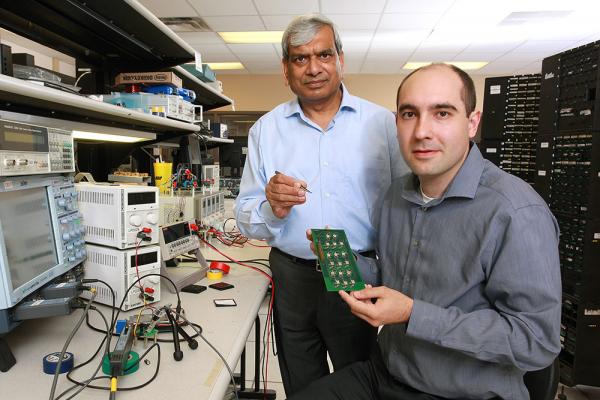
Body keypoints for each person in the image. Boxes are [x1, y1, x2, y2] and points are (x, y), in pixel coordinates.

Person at [291, 63, 562, 399]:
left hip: (464, 393)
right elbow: (394, 275)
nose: (421, 131)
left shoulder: (514, 212)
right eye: (409, 114)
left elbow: (535, 341)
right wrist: (346, 260)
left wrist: (413, 314)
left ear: (472, 122)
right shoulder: (396, 196)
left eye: (442, 113)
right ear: (397, 123)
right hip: (385, 376)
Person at [234, 13, 408, 396]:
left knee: (361, 381)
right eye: (300, 58)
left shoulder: (382, 126)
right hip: (292, 277)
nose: (314, 68)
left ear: (340, 59)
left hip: (356, 270)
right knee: (302, 384)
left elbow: (406, 208)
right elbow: (244, 215)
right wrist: (269, 208)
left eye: (324, 55)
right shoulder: (266, 130)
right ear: (286, 68)